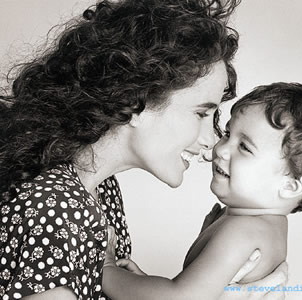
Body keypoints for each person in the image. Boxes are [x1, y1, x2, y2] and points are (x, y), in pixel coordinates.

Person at [0, 0, 287, 299]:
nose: (211, 141)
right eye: (201, 113)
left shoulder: (100, 190)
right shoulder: (55, 207)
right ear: (136, 102)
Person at [104, 82, 302, 300]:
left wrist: (107, 271)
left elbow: (179, 299)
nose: (221, 149)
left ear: (290, 185)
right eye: (228, 133)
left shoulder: (244, 231)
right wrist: (141, 284)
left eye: (244, 147)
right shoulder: (254, 223)